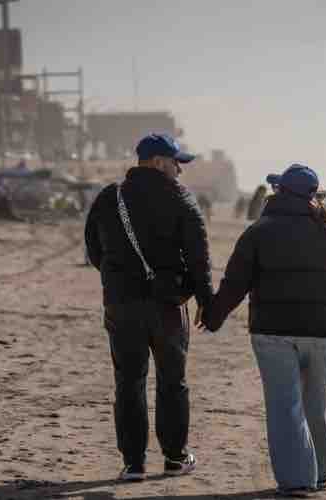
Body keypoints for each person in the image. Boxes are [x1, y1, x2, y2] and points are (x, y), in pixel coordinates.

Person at [203, 164, 326, 496]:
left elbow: (236, 282)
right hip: (320, 331)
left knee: (285, 406)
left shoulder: (259, 231)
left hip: (273, 332)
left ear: (279, 193)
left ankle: (298, 480)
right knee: (314, 405)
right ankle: (319, 471)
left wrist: (214, 315)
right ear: (313, 196)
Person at [84, 133, 213, 481]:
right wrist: (203, 298)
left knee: (128, 381)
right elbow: (199, 256)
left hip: (122, 304)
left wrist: (118, 279)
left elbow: (94, 249)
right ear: (158, 162)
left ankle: (134, 464)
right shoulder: (179, 198)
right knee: (173, 381)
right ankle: (174, 458)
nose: (179, 172)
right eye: (176, 163)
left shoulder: (110, 197)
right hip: (167, 305)